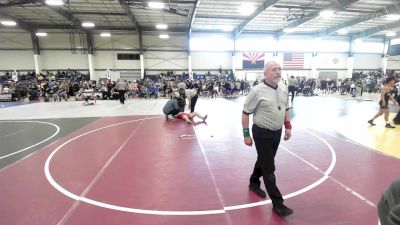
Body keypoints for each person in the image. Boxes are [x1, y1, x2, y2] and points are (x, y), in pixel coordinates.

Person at [242, 61, 293, 217]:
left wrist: (288, 126)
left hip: (276, 132)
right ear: (265, 74)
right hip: (261, 133)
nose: (278, 72)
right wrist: (246, 135)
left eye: (279, 69)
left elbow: (285, 108)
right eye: (274, 70)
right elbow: (245, 113)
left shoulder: (284, 88)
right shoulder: (256, 91)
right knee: (269, 168)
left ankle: (254, 182)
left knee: (264, 160)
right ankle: (278, 204)